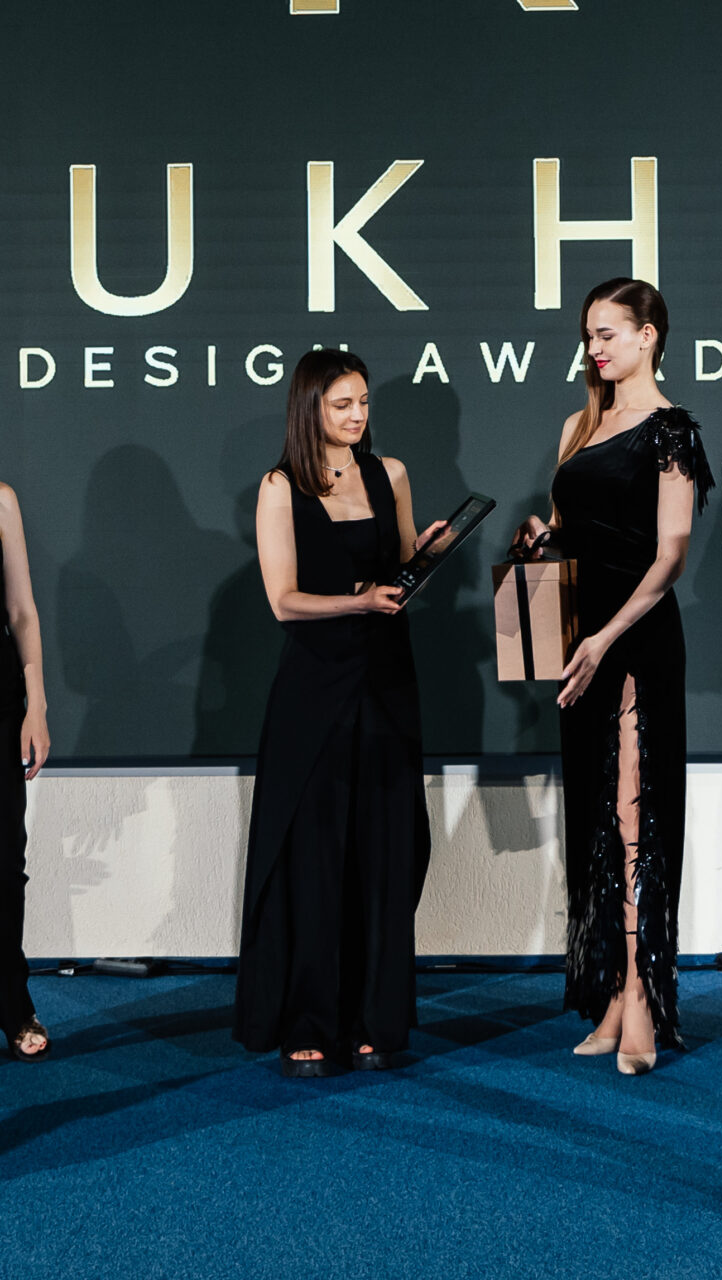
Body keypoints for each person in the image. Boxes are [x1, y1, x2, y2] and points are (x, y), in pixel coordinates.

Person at [513, 277, 713, 1076]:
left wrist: (605, 638)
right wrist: (543, 539)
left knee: (636, 821)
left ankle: (641, 999)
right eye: (589, 334)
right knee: (596, 817)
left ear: (648, 335)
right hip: (578, 639)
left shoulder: (671, 431)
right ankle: (607, 993)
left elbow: (670, 557)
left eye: (608, 333)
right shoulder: (579, 424)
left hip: (633, 638)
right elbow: (570, 529)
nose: (594, 347)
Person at [235, 349, 443, 1077]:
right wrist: (357, 601)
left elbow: (405, 571)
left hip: (387, 683)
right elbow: (283, 601)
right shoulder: (279, 487)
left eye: (363, 402)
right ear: (309, 408)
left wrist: (429, 554)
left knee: (384, 852)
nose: (358, 416)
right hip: (314, 693)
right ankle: (309, 1023)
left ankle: (372, 1020)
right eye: (342, 404)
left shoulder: (391, 475)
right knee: (315, 858)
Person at [0, 485, 51, 1064]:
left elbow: (21, 613)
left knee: (3, 863)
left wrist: (36, 705)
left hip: (0, 698)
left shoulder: (2, 501)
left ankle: (14, 1007)